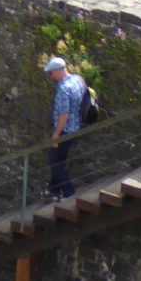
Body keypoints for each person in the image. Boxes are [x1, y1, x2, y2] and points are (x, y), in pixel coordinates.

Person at [45, 55, 89, 201]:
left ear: (58, 71)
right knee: (59, 160)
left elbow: (64, 115)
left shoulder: (64, 89)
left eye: (51, 73)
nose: (51, 76)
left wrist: (56, 135)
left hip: (65, 130)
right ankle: (53, 190)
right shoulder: (78, 80)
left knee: (55, 163)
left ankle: (68, 193)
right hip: (76, 127)